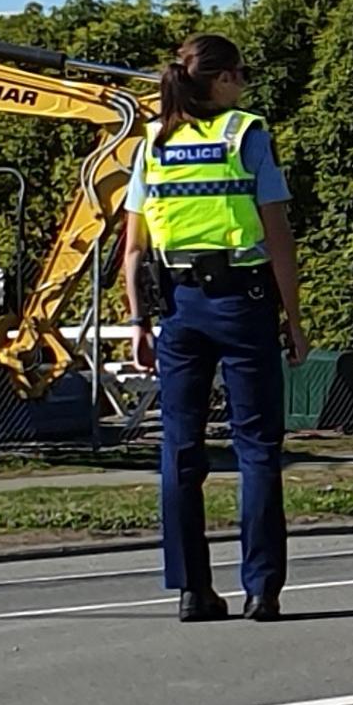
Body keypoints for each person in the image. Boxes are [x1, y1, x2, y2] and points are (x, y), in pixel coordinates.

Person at [123, 34, 306, 622]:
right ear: (222, 80)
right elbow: (277, 235)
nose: (245, 84)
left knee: (179, 449)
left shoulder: (151, 143)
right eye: (241, 74)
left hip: (177, 306)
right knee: (256, 448)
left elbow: (132, 249)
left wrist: (137, 321)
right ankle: (262, 589)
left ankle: (191, 590)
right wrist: (294, 319)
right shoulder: (245, 135)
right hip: (241, 298)